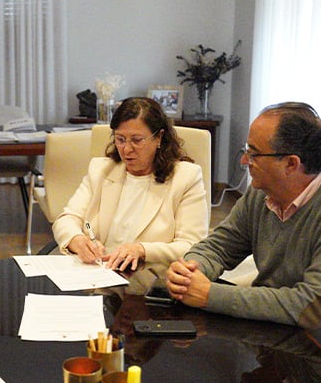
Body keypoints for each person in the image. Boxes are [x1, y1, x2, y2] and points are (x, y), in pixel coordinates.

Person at [166, 102, 321, 374]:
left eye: (253, 153)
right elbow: (218, 246)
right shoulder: (262, 193)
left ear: (291, 164)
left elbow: (310, 308)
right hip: (278, 340)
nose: (244, 160)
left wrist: (209, 295)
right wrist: (190, 270)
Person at [53, 97, 209, 293]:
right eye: (120, 139)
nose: (126, 149)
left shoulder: (185, 177)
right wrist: (77, 240)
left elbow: (193, 246)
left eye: (136, 140)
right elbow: (67, 218)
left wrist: (142, 250)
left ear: (159, 137)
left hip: (151, 288)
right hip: (97, 281)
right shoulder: (102, 170)